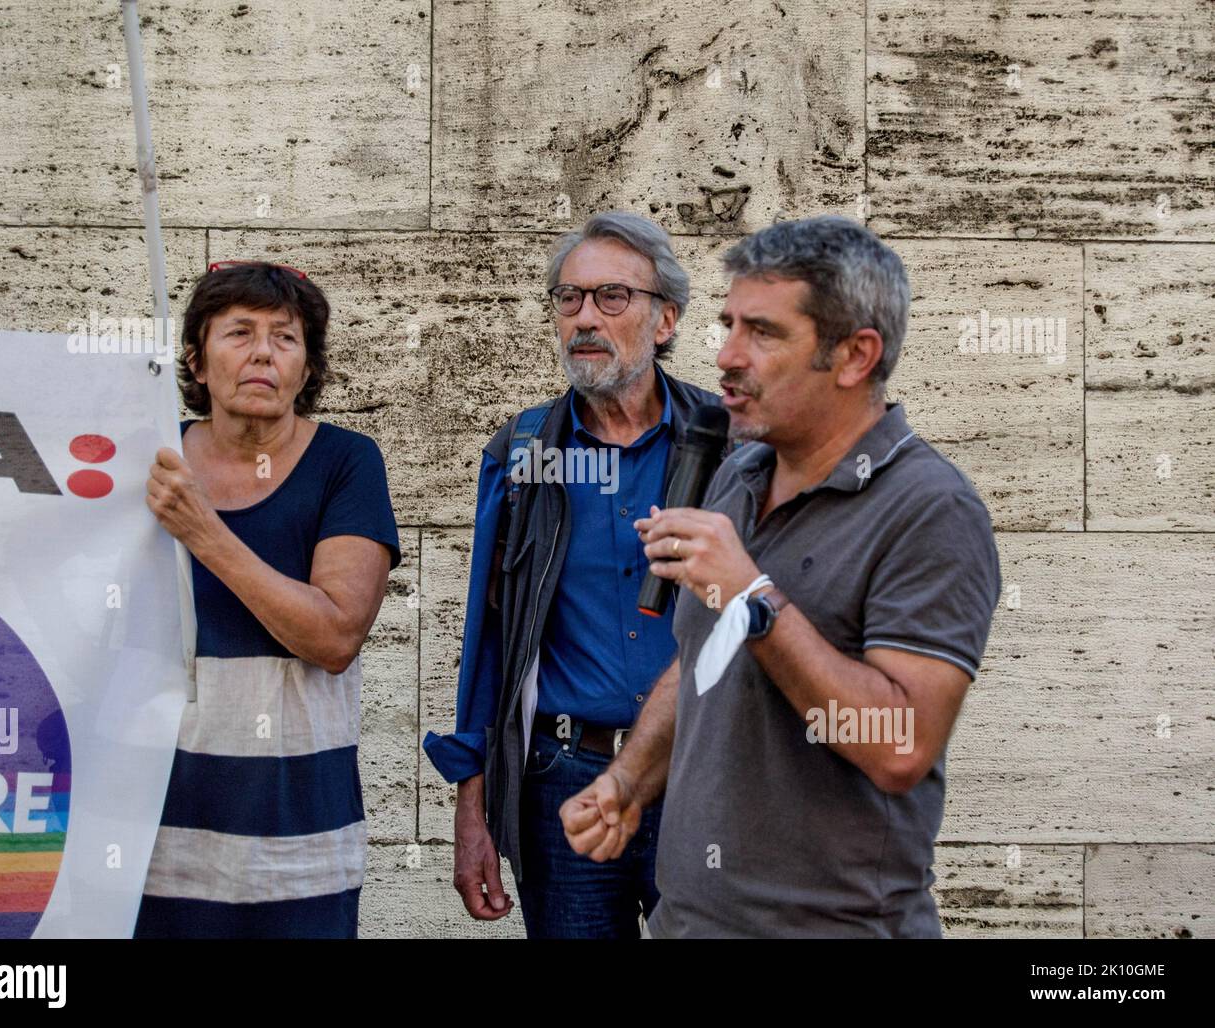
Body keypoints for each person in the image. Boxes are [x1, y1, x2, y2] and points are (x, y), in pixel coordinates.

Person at [560, 216, 1002, 938]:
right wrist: (627, 781)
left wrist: (750, 596)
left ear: (856, 356)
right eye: (729, 324)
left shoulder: (930, 508)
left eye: (763, 333)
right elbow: (701, 660)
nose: (726, 355)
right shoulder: (737, 473)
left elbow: (900, 747)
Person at [423, 212, 721, 938]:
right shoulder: (524, 452)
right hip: (565, 782)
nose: (585, 317)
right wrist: (475, 805)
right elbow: (491, 636)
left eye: (612, 297)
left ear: (665, 319)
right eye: (569, 299)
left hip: (707, 778)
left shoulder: (729, 443)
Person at [134, 260, 400, 939]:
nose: (262, 352)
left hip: (298, 841)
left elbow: (334, 635)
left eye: (286, 337)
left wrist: (203, 532)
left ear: (307, 368)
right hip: (152, 836)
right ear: (194, 357)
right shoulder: (148, 457)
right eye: (239, 332)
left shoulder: (346, 463)